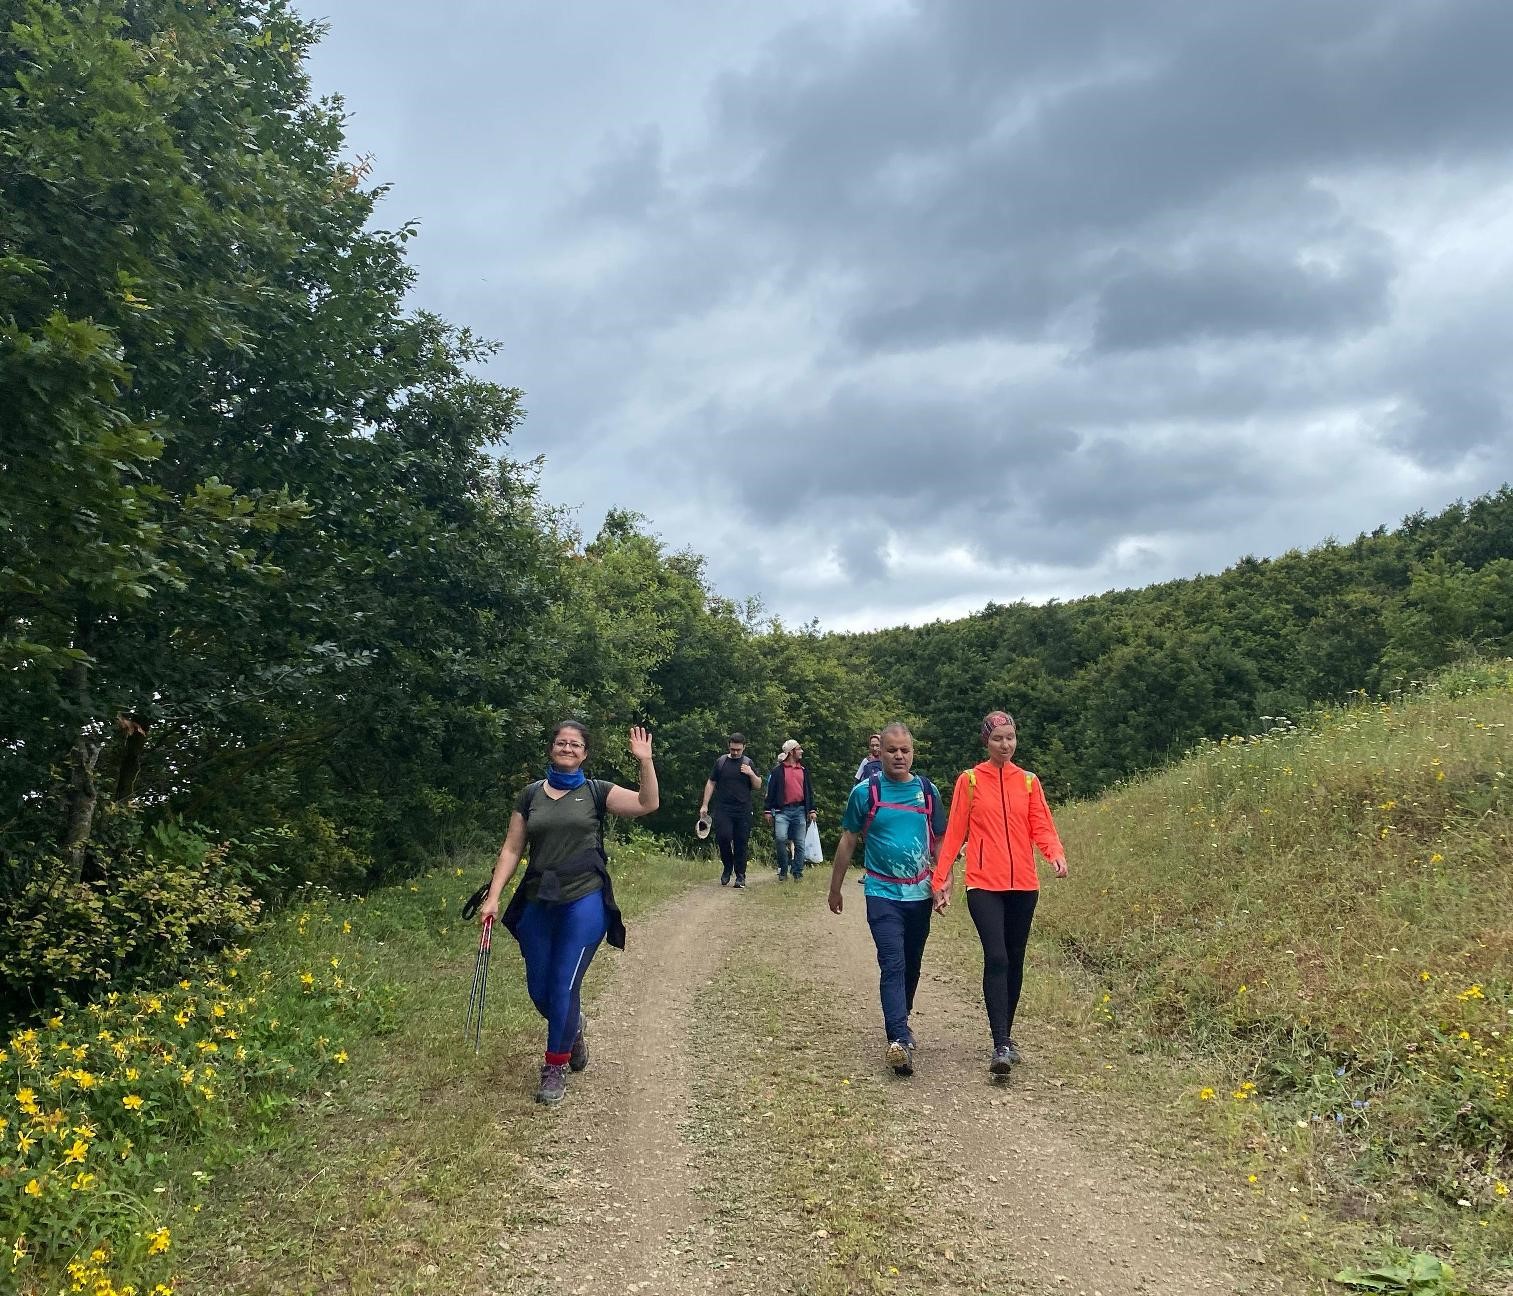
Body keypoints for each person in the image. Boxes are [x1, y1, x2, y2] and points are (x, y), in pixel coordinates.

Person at [477, 722, 659, 1106]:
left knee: (563, 986)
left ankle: (555, 1065)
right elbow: (511, 849)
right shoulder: (530, 796)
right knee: (540, 991)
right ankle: (573, 1028)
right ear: (551, 748)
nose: (568, 747)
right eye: (561, 742)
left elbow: (647, 804)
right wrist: (493, 896)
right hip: (539, 899)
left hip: (584, 899)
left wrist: (645, 762)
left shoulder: (596, 791)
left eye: (575, 744)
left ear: (585, 753)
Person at [931, 711, 1068, 1076]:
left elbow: (1041, 825)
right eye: (997, 739)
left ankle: (1006, 1035)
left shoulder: (1028, 781)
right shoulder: (971, 780)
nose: (1005, 744)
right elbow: (955, 832)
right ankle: (1000, 1042)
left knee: (1016, 957)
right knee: (997, 956)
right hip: (983, 883)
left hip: (1024, 883)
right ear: (986, 742)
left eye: (1010, 738)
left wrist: (1054, 854)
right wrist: (939, 879)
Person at [828, 723, 945, 1076]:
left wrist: (943, 882)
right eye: (891, 750)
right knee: (892, 962)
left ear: (913, 753)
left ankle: (901, 1019)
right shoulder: (866, 792)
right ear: (879, 754)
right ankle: (898, 1038)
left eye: (904, 750)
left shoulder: (927, 792)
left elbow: (940, 841)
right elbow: (848, 840)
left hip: (920, 893)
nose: (898, 756)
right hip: (881, 892)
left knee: (911, 963)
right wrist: (835, 887)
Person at [698, 732, 763, 888]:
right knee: (723, 838)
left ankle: (740, 875)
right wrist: (705, 804)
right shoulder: (721, 762)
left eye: (738, 750)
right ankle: (727, 867)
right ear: (729, 746)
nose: (735, 752)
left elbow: (758, 785)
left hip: (743, 810)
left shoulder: (748, 763)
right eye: (733, 749)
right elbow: (711, 782)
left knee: (741, 842)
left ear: (744, 748)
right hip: (723, 809)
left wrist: (751, 773)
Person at [764, 738, 815, 880]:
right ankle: (783, 869)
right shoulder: (778, 771)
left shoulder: (803, 770)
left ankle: (797, 872)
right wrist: (767, 810)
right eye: (799, 749)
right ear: (792, 752)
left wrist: (812, 809)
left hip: (799, 809)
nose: (801, 751)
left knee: (800, 843)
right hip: (782, 811)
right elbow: (771, 791)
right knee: (780, 839)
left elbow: (809, 791)